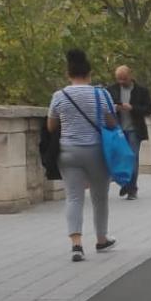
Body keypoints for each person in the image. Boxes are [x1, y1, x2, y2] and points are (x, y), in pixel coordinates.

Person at [48, 48, 118, 262]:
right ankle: (101, 238)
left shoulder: (60, 96)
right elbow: (111, 123)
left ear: (68, 75)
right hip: (96, 151)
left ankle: (76, 245)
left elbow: (51, 126)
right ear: (89, 74)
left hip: (68, 151)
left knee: (74, 197)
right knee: (99, 198)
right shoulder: (101, 94)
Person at [111, 65, 151, 200]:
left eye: (124, 79)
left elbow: (149, 109)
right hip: (117, 130)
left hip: (134, 130)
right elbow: (104, 107)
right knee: (119, 159)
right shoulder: (111, 90)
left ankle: (131, 189)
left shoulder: (141, 91)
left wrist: (132, 108)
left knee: (132, 158)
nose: (121, 82)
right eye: (119, 79)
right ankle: (125, 183)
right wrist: (115, 108)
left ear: (130, 75)